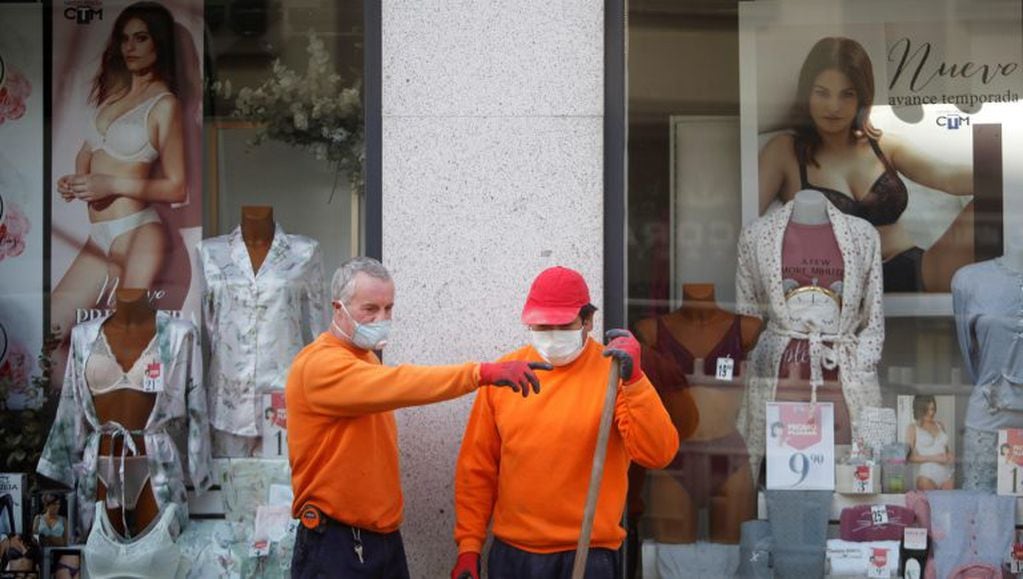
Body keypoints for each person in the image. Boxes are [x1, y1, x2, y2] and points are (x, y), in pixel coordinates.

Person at [286, 256, 552, 579]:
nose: (381, 318)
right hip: (335, 544)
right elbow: (402, 383)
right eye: (370, 309)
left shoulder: (365, 357)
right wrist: (480, 373)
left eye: (389, 309)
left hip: (380, 540)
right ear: (338, 308)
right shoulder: (318, 366)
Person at [451, 266, 679, 579]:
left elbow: (658, 453)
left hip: (589, 554)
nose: (550, 334)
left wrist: (636, 381)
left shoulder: (613, 375)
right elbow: (477, 469)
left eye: (561, 324)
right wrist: (469, 546)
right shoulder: (506, 374)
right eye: (540, 325)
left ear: (588, 321)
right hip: (514, 555)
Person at [758, 36, 973, 293]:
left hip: (914, 271)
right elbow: (748, 226)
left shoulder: (884, 145)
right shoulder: (785, 151)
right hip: (838, 289)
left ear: (862, 97)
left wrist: (1008, 171)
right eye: (822, 93)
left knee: (994, 200)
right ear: (807, 94)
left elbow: (946, 176)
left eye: (847, 95)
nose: (834, 107)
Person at [52, 1, 187, 382]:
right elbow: (87, 154)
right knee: (52, 333)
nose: (130, 47)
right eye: (125, 39)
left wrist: (109, 184)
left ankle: (131, 430)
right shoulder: (112, 98)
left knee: (128, 342)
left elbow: (177, 186)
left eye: (141, 38)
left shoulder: (165, 105)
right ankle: (79, 423)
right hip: (100, 236)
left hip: (139, 231)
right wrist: (74, 180)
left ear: (159, 44)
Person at [906, 395, 954, 490]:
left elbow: (946, 451)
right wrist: (935, 458)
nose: (931, 413)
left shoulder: (940, 425)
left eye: (933, 409)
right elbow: (909, 457)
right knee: (930, 504)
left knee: (949, 504)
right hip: (927, 476)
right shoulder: (913, 428)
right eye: (927, 410)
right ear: (920, 410)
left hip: (946, 475)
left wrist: (950, 456)